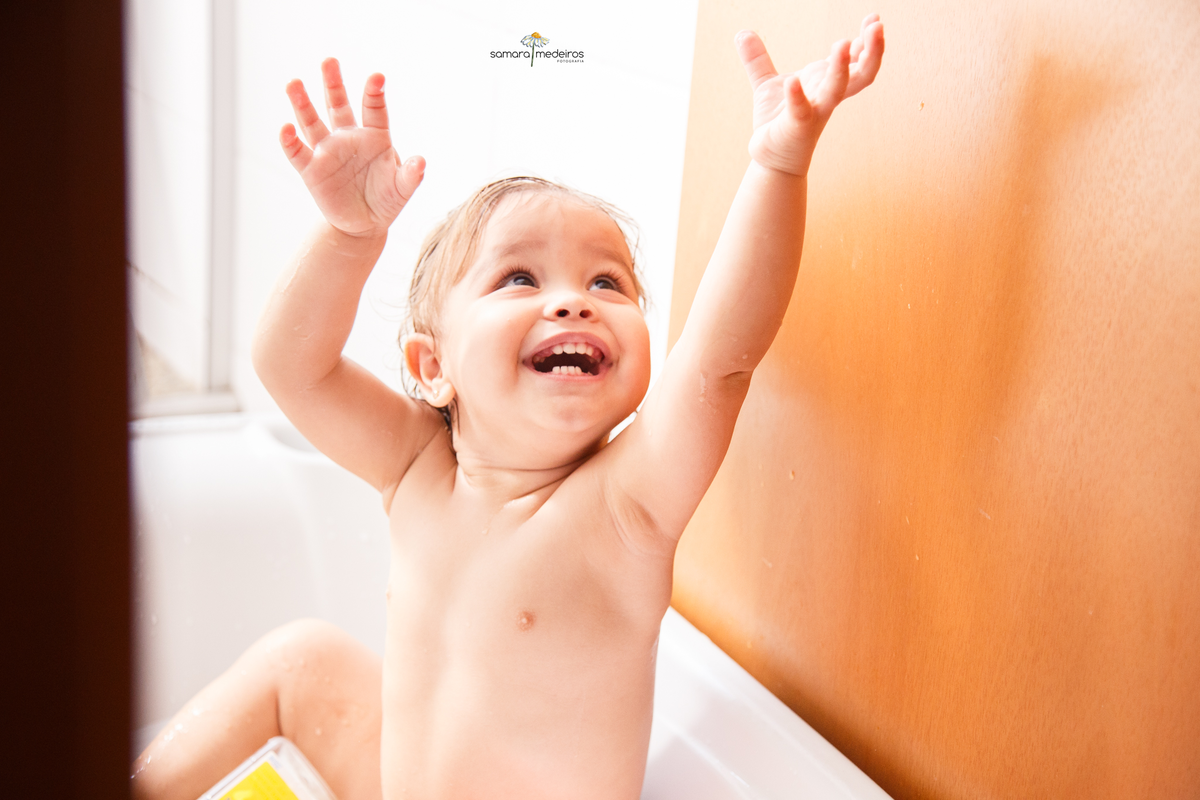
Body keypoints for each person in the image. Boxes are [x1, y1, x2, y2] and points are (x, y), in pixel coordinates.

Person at [132, 16, 884, 800]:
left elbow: (720, 361)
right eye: (520, 279)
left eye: (608, 283)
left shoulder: (625, 508)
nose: (573, 302)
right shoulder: (415, 467)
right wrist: (348, 237)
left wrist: (776, 165)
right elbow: (291, 367)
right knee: (301, 661)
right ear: (433, 368)